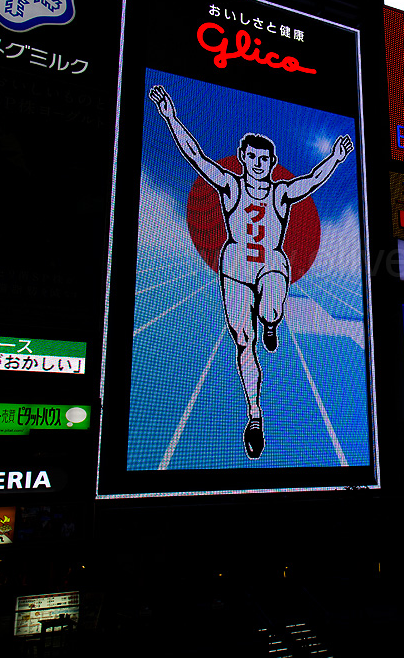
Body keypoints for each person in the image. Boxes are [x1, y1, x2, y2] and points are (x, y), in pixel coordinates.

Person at [148, 84, 353, 459]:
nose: (259, 163)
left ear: (271, 163)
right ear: (243, 158)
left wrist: (336, 160)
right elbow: (196, 156)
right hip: (237, 267)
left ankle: (271, 320)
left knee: (270, 309)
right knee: (244, 340)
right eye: (253, 156)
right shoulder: (229, 185)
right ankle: (254, 413)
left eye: (265, 158)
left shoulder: (280, 193)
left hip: (272, 264)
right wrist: (170, 117)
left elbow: (311, 180)